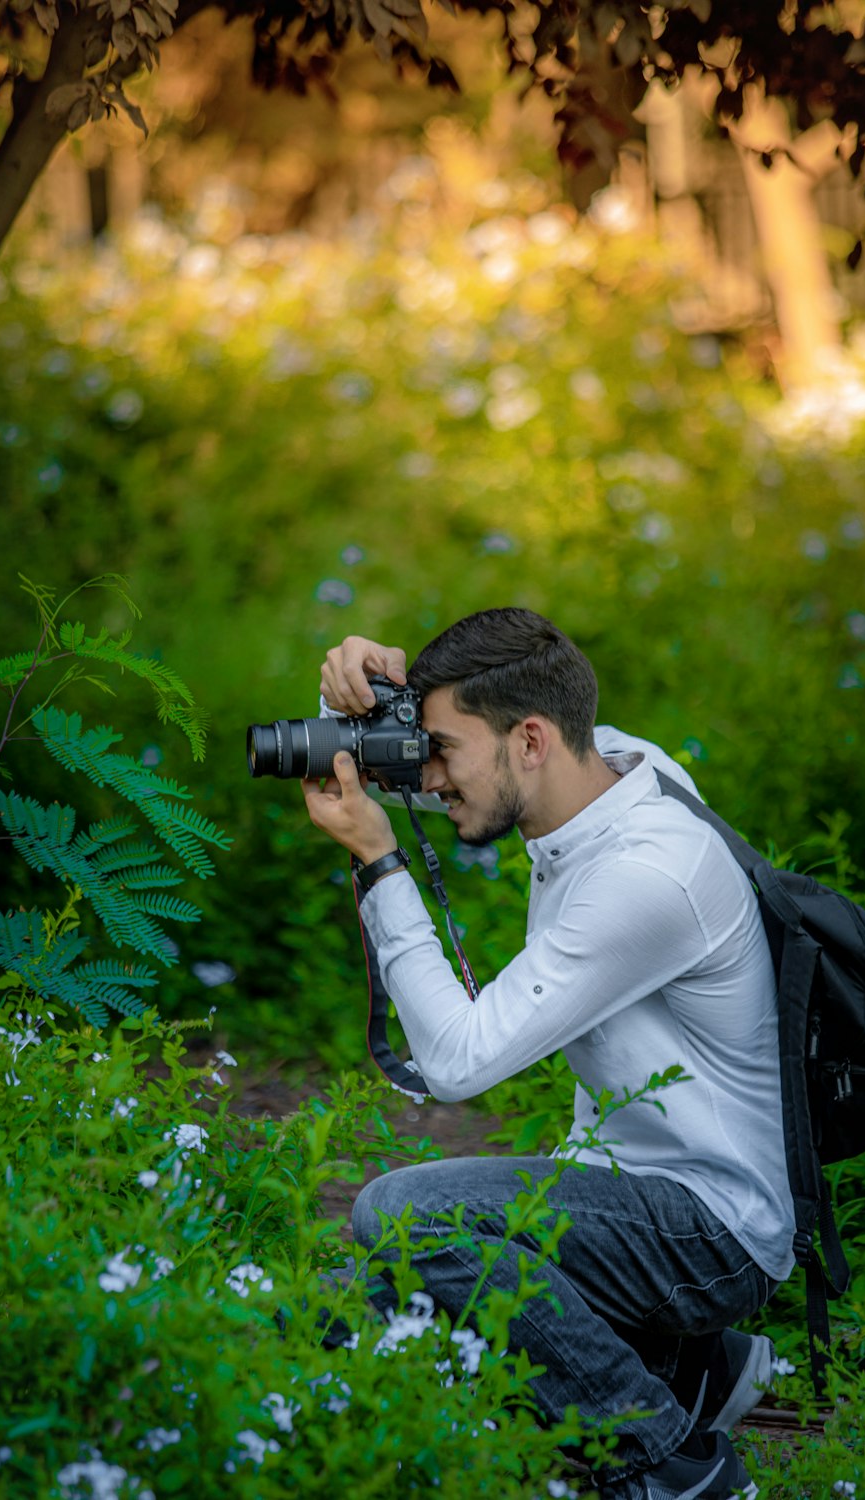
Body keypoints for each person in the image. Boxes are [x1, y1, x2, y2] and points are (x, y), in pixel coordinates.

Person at [301, 608, 794, 1500]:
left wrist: (378, 859)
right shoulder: (596, 765)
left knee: (407, 1217)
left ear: (529, 739)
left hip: (709, 1227)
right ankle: (689, 1372)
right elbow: (464, 773)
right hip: (626, 1195)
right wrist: (363, 704)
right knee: (344, 1304)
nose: (431, 773)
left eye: (441, 749)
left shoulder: (646, 874)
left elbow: (452, 1063)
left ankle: (665, 1466)